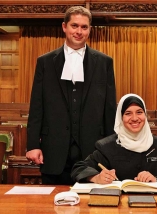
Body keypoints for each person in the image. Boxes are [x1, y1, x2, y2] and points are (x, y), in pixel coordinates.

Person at [26, 6, 117, 185]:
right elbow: (37, 106)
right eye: (74, 26)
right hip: (54, 150)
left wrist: (110, 150)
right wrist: (33, 145)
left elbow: (109, 109)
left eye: (84, 27)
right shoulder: (45, 62)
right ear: (64, 27)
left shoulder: (104, 62)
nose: (79, 31)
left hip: (92, 151)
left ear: (90, 30)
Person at [71, 94, 157, 186]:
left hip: (154, 206)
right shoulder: (106, 146)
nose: (135, 118)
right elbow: (78, 168)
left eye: (139, 112)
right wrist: (96, 177)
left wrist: (156, 179)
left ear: (145, 115)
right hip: (117, 206)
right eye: (128, 113)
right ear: (120, 118)